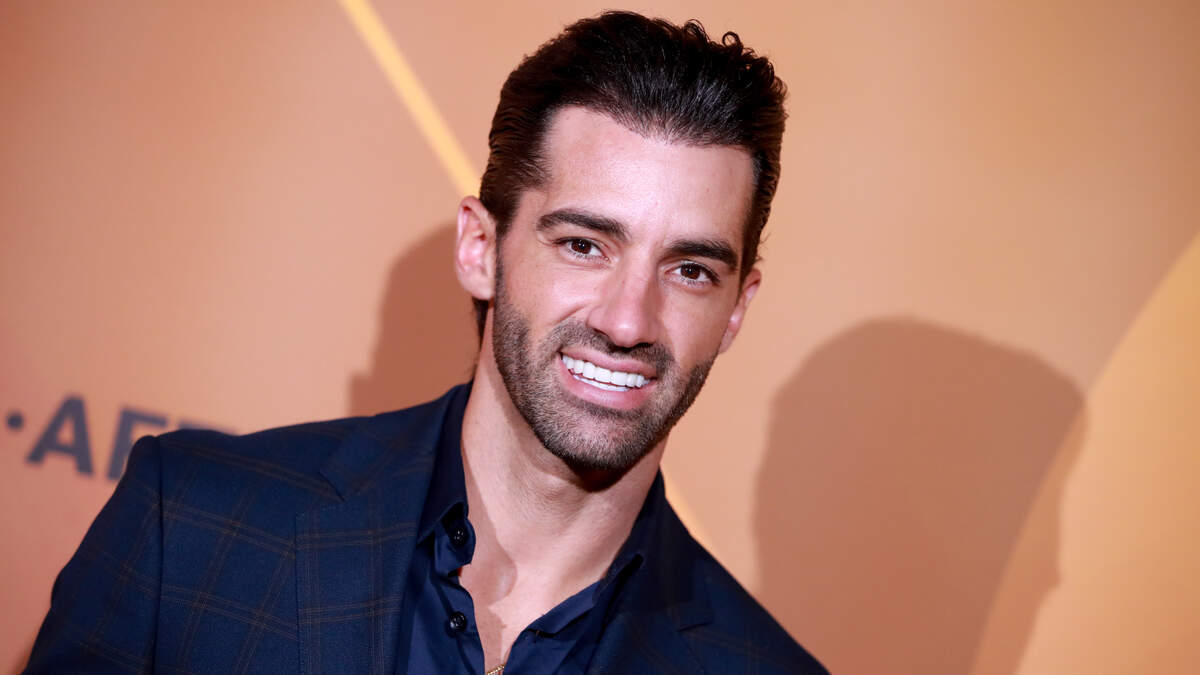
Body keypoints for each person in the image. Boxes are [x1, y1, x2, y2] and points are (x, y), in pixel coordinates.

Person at [26, 11, 826, 674]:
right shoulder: (192, 529)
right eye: (584, 245)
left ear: (736, 308)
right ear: (480, 248)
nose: (627, 321)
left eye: (689, 270)